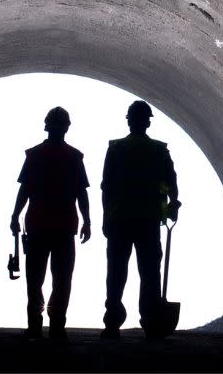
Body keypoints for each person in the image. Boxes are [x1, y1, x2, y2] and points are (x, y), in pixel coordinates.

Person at [100, 100, 181, 340]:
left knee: (116, 272)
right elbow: (169, 185)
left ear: (128, 120)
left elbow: (107, 187)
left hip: (120, 220)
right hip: (148, 220)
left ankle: (112, 323)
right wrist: (169, 208)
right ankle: (151, 322)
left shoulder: (115, 149)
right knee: (149, 273)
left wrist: (105, 217)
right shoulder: (158, 150)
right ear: (147, 122)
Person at [10, 107, 91, 341]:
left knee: (35, 278)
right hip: (63, 227)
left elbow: (24, 189)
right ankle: (56, 326)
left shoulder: (34, 155)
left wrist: (15, 216)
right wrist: (87, 221)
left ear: (47, 125)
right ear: (67, 127)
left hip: (38, 225)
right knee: (62, 278)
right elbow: (81, 193)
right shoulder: (74, 157)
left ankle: (35, 326)